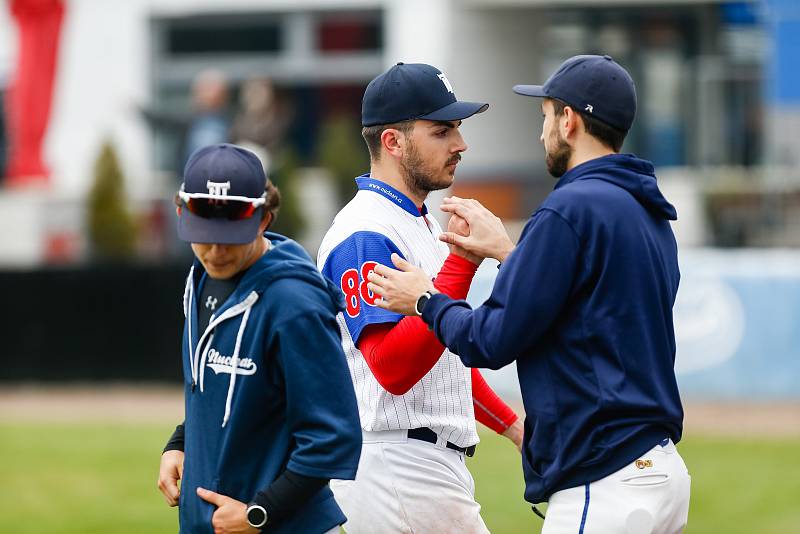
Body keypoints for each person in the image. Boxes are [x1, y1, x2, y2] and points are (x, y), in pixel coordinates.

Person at [367, 55, 691, 533]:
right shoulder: (648, 211)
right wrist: (510, 252)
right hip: (660, 472)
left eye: (545, 117)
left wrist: (425, 300)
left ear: (570, 120)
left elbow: (491, 341)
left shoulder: (568, 208)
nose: (542, 133)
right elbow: (584, 307)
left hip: (602, 476)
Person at [317, 62, 524, 534]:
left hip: (416, 465)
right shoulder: (365, 232)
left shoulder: (416, 221)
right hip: (395, 465)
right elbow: (393, 367)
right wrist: (462, 266)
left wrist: (514, 428)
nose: (460, 143)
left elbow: (444, 367)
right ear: (392, 141)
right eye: (442, 130)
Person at [157, 143, 362, 534]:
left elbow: (334, 436)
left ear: (264, 218)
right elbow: (217, 390)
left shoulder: (295, 302)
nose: (215, 252)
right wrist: (180, 443)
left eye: (230, 237)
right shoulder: (199, 279)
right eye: (203, 235)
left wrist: (259, 513)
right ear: (183, 212)